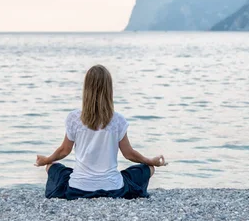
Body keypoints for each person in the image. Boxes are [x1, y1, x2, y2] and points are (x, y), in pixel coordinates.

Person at [35, 64, 166, 199]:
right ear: (109, 89)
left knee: (51, 167)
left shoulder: (73, 118)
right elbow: (129, 154)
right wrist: (150, 161)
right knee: (148, 169)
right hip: (113, 189)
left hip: (78, 188)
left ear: (86, 89)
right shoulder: (118, 120)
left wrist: (46, 160)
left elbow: (64, 151)